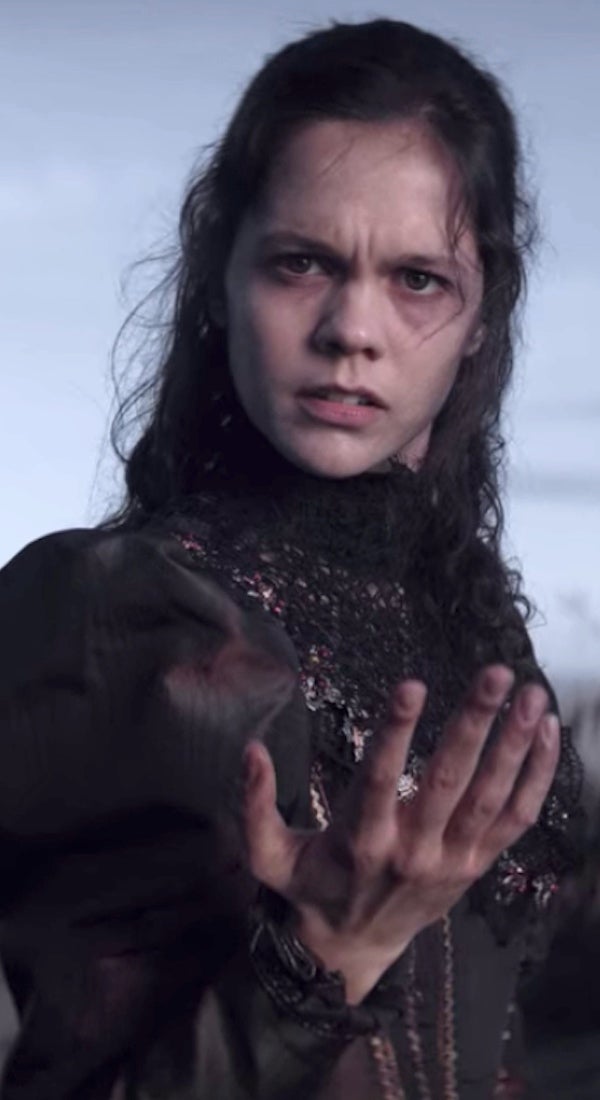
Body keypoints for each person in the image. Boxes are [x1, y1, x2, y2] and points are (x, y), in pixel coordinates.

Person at [0, 18, 583, 1100]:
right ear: (221, 280)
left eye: (418, 279)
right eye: (302, 262)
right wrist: (327, 954)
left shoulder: (471, 622)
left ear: (479, 319)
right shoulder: (120, 613)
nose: (352, 328)